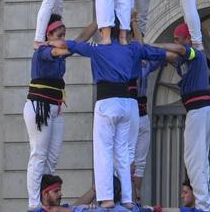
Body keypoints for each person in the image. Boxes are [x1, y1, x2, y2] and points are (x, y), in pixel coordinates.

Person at [51, 31, 172, 210]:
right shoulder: (132, 48)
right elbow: (157, 53)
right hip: (126, 103)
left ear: (104, 32)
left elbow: (70, 45)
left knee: (103, 150)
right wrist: (186, 53)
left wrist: (48, 42)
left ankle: (106, 197)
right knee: (123, 151)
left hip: (107, 102)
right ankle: (127, 198)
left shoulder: (98, 49)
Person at [25, 16, 98, 210]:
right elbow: (61, 49)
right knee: (39, 154)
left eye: (64, 35)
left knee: (52, 156)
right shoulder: (42, 51)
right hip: (39, 106)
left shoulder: (58, 50)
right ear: (48, 35)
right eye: (60, 35)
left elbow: (80, 39)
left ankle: (46, 193)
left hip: (55, 107)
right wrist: (66, 45)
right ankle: (34, 204)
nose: (63, 38)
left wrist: (99, 20)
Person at [154, 25, 210, 212]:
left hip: (199, 110)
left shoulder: (195, 54)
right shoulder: (183, 60)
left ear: (188, 40)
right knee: (200, 161)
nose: (175, 42)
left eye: (177, 38)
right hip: (202, 110)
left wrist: (152, 44)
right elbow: (171, 56)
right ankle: (208, 204)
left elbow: (180, 50)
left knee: (193, 160)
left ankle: (204, 206)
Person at [129, 11, 168, 202]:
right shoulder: (125, 60)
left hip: (143, 114)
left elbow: (159, 57)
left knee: (140, 162)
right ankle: (126, 197)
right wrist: (135, 22)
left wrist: (136, 23)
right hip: (129, 115)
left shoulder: (144, 62)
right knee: (128, 160)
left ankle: (137, 198)